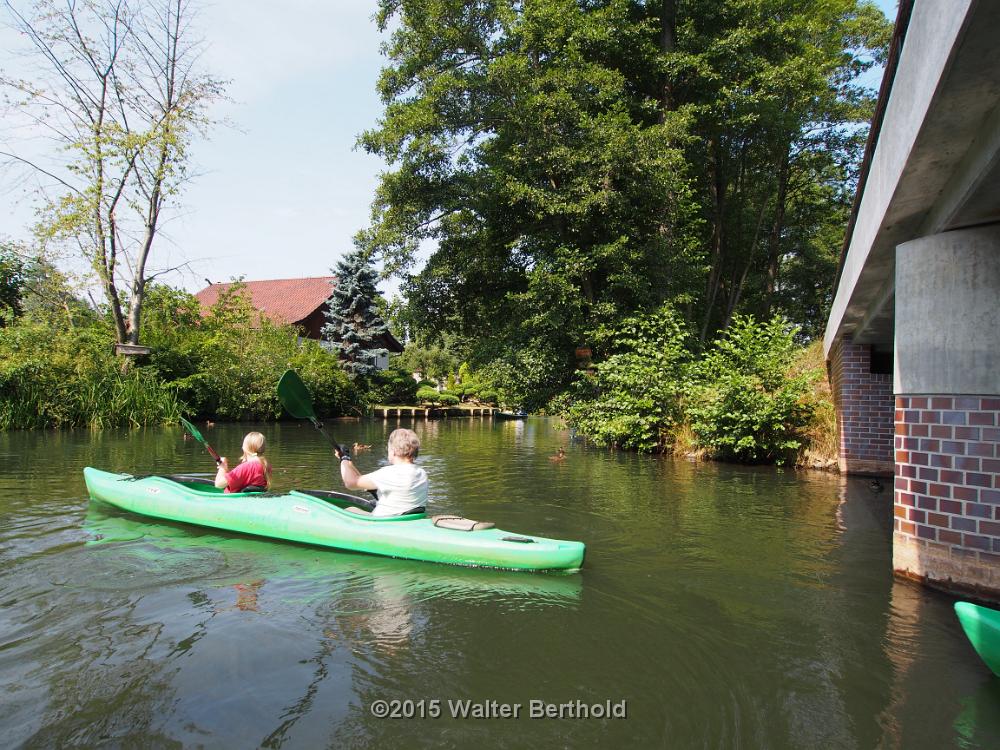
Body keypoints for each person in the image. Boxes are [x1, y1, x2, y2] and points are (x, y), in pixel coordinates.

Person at [336, 428, 428, 516]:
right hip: (407, 518)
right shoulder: (422, 473)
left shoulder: (390, 473)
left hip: (383, 521)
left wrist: (344, 458)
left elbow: (350, 483)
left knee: (349, 510)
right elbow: (360, 481)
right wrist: (349, 463)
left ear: (393, 451)